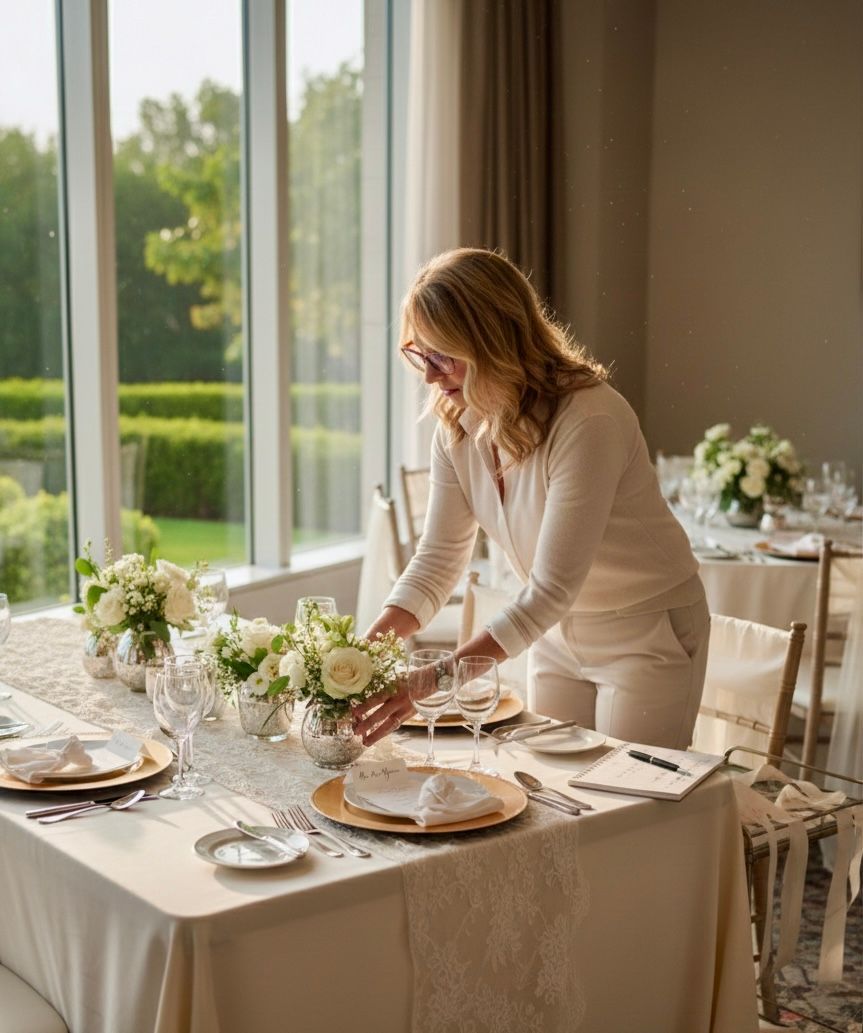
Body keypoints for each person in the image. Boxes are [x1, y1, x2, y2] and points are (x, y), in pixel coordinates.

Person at [353, 247, 709, 750]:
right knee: (551, 794)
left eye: (443, 356)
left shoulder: (589, 420)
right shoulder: (457, 425)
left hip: (645, 634)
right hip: (553, 634)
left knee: (630, 803)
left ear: (495, 343)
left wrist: (429, 685)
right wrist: (356, 656)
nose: (430, 376)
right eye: (421, 354)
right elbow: (436, 563)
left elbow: (549, 590)